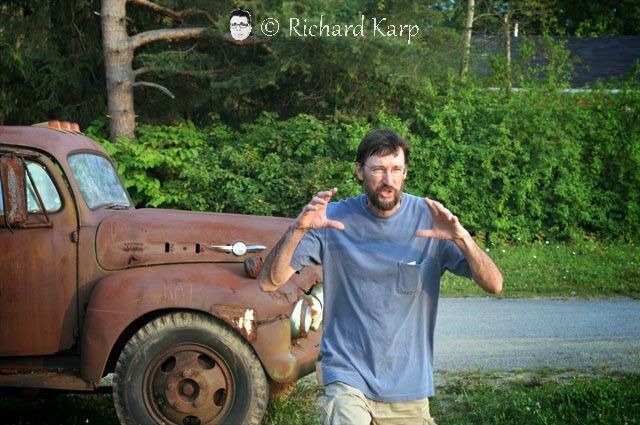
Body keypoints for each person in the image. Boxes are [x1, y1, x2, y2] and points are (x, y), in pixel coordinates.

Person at [258, 129, 503, 425]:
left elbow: (495, 284)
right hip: (348, 375)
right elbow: (269, 281)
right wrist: (298, 230)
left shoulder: (430, 221)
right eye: (378, 170)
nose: (388, 181)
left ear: (405, 173)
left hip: (408, 386)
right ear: (360, 171)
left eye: (396, 170)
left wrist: (462, 238)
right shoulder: (332, 219)